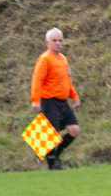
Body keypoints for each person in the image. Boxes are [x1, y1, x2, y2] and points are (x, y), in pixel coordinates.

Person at [30, 27, 81, 171]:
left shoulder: (63, 59)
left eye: (60, 40)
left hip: (62, 101)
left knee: (74, 130)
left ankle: (56, 154)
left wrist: (74, 95)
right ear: (47, 42)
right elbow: (37, 80)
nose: (58, 43)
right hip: (49, 100)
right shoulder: (45, 59)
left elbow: (67, 80)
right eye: (54, 41)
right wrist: (35, 100)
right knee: (51, 132)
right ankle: (52, 163)